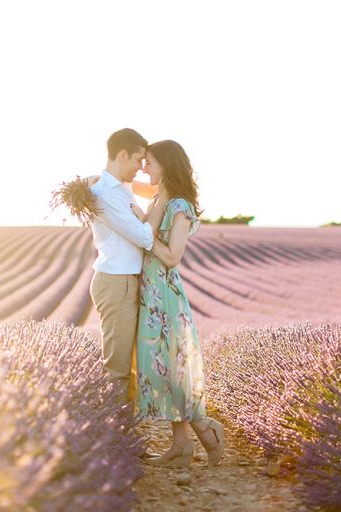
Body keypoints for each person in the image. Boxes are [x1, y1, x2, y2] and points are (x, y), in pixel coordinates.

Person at [133, 140, 225, 468]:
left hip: (166, 298)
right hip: (152, 296)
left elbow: (172, 256)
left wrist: (146, 235)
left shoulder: (180, 206)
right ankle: (181, 444)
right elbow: (134, 192)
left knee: (174, 370)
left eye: (150, 163)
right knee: (163, 368)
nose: (145, 168)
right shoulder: (162, 198)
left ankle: (206, 431)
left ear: (167, 165)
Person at [88, 128, 167, 403]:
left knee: (133, 368)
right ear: (122, 155)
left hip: (127, 280)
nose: (140, 168)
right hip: (116, 282)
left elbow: (153, 190)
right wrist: (159, 207)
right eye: (138, 160)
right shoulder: (105, 194)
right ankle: (118, 441)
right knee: (118, 369)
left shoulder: (119, 188)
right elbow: (144, 237)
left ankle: (129, 441)